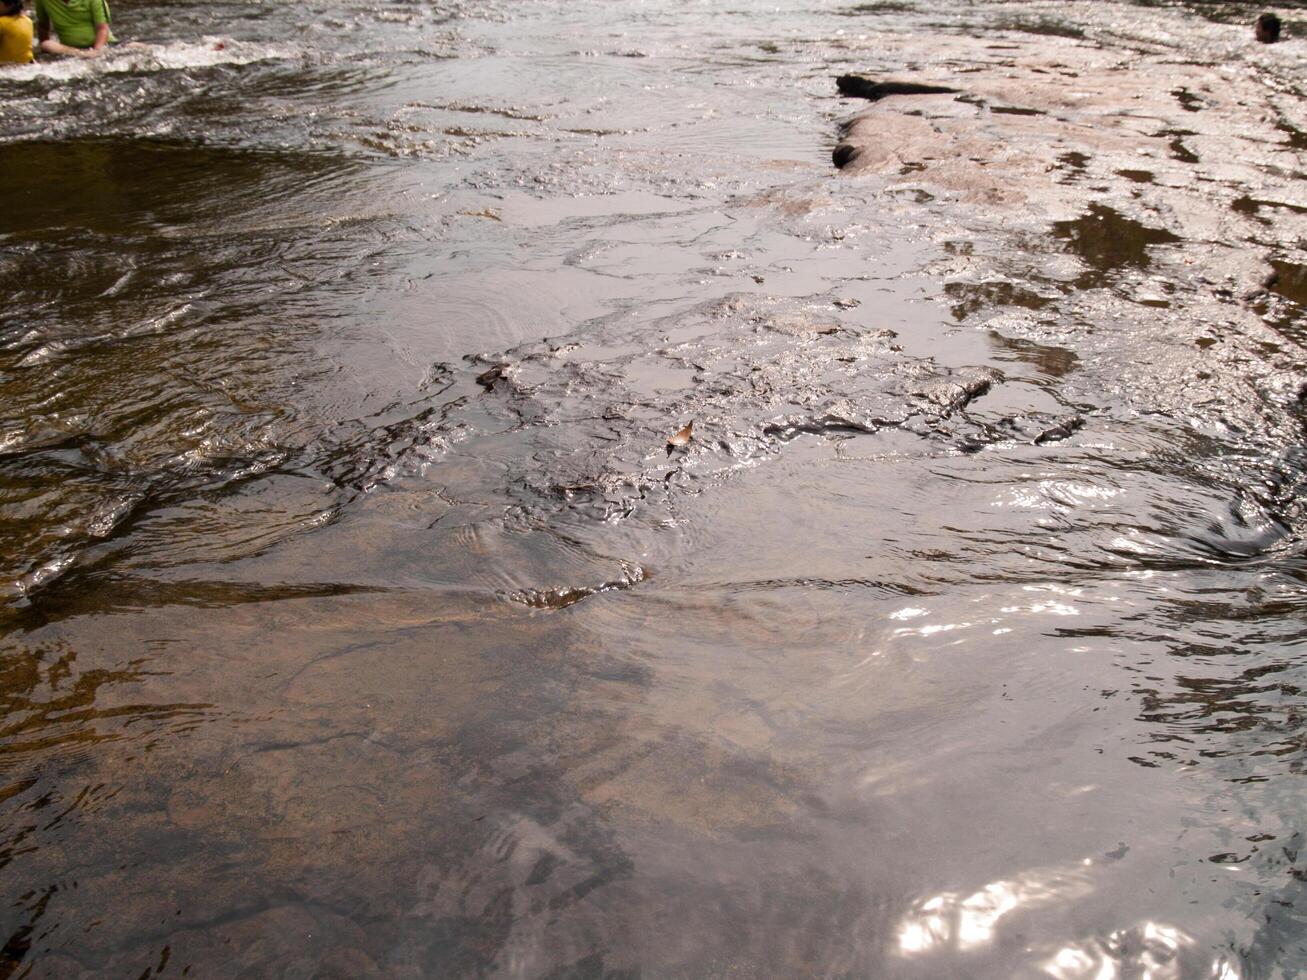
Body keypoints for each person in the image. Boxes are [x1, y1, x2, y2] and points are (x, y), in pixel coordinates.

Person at [35, 0, 111, 58]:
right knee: (46, 45)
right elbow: (43, 26)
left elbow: (102, 28)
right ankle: (82, 55)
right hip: (70, 50)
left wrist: (96, 51)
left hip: (101, 47)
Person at [0, 0, 34, 64]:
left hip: (5, 67)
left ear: (9, 5)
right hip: (27, 65)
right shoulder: (28, 21)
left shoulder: (2, 23)